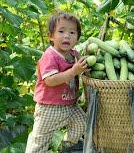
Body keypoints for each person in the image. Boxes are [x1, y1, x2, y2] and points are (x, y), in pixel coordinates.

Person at [25, 11, 89, 152]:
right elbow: (50, 81)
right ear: (51, 36)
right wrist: (73, 71)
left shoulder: (74, 54)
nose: (67, 36)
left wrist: (87, 68)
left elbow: (82, 68)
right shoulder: (50, 56)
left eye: (72, 32)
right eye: (61, 31)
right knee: (40, 140)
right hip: (49, 107)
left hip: (70, 105)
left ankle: (64, 145)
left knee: (83, 124)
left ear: (77, 37)